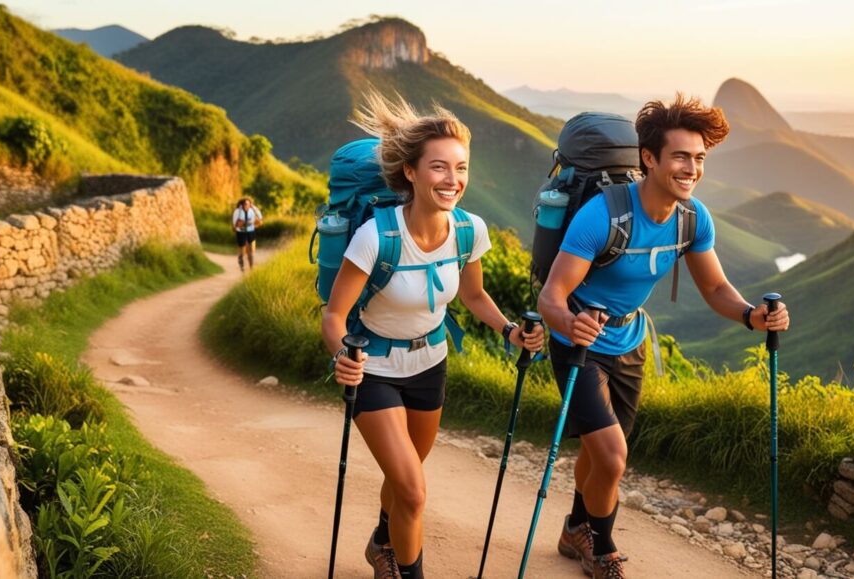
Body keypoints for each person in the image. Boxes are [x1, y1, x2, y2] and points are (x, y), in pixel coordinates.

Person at [537, 94, 790, 579]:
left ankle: (575, 527)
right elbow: (552, 296)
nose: (691, 168)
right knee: (612, 455)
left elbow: (715, 287)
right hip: (580, 343)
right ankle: (603, 548)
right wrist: (571, 325)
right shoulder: (602, 216)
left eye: (698, 158)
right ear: (649, 159)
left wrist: (750, 316)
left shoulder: (693, 218)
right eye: (680, 156)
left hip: (629, 343)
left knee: (598, 453)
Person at [322, 93, 545, 579]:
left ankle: (383, 542)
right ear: (411, 173)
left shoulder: (469, 230)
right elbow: (334, 314)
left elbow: (474, 296)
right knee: (414, 490)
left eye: (460, 168)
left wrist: (509, 330)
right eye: (439, 167)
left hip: (430, 365)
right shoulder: (375, 237)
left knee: (404, 481)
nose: (453, 180)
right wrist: (343, 354)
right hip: (374, 369)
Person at [231, 197, 262, 272]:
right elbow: (236, 224)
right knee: (242, 252)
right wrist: (244, 223)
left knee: (251, 252)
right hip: (241, 233)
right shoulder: (237, 211)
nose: (247, 205)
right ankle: (241, 264)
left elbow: (260, 218)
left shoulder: (252, 210)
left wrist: (254, 208)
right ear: (241, 204)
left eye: (248, 204)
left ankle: (251, 268)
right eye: (245, 204)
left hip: (251, 232)